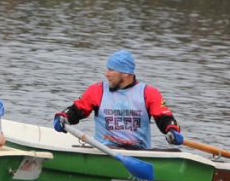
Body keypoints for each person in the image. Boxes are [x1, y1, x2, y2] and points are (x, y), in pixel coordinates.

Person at [53, 50, 182, 149]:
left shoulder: (148, 93)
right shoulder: (97, 90)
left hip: (138, 151)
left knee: (176, 152)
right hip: (103, 149)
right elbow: (76, 111)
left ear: (125, 73)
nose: (106, 74)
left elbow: (165, 119)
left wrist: (172, 130)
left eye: (110, 70)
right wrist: (63, 117)